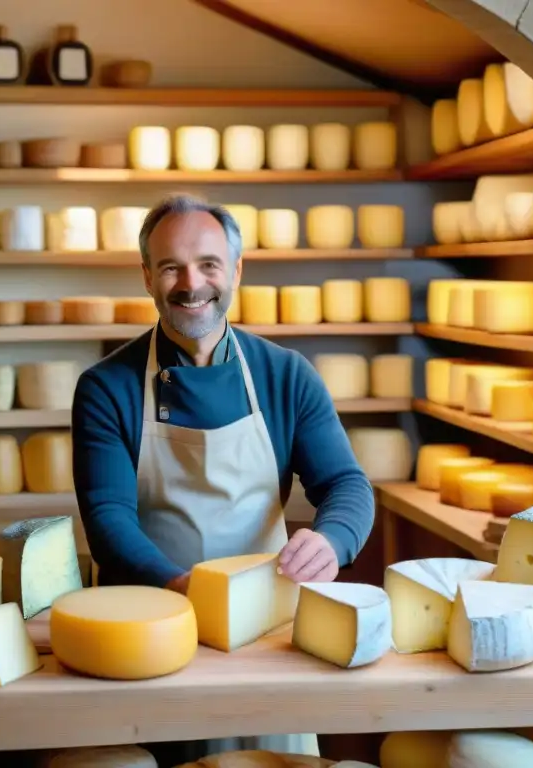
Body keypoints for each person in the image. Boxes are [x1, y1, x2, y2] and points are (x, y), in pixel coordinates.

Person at [70, 194, 376, 762]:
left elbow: (346, 486)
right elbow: (108, 519)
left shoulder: (286, 375)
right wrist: (184, 590)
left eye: (209, 264)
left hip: (266, 634)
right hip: (147, 629)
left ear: (235, 271)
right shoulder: (105, 387)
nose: (192, 284)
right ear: (146, 277)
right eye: (171, 267)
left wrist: (333, 540)